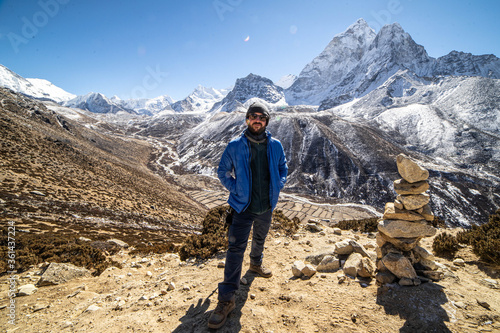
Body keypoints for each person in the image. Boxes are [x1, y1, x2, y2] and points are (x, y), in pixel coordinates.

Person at [208, 102, 288, 329]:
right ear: (247, 120)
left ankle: (255, 265)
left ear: (267, 121)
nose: (257, 120)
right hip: (242, 208)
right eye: (253, 116)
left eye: (261, 117)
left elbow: (283, 167)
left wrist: (278, 185)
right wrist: (237, 189)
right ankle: (226, 300)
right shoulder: (235, 146)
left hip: (266, 206)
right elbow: (222, 171)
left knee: (260, 239)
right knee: (235, 250)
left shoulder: (276, 145)